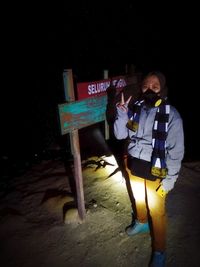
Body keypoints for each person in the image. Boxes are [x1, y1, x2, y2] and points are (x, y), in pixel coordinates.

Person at [113, 71, 184, 267]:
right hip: (135, 164)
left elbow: (176, 152)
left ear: (162, 89)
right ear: (141, 88)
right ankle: (142, 223)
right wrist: (121, 113)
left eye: (155, 86)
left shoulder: (172, 116)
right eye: (146, 85)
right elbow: (120, 135)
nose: (150, 89)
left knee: (157, 211)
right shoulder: (135, 108)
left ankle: (160, 250)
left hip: (156, 170)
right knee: (138, 198)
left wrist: (169, 181)